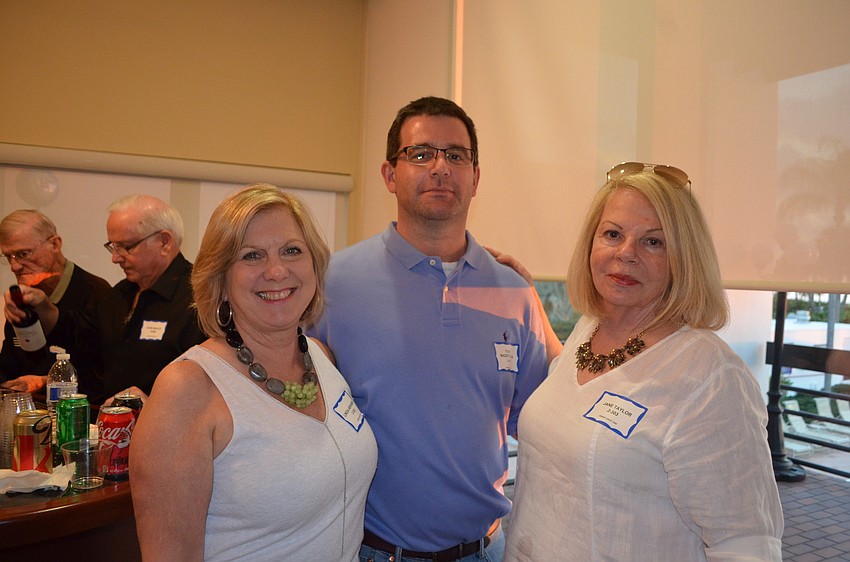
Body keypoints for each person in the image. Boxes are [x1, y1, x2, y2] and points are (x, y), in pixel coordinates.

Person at [309, 96, 552, 562]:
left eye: (456, 155)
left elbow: (543, 422)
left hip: (488, 550)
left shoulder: (513, 292)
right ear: (389, 174)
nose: (440, 167)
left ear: (475, 178)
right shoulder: (333, 283)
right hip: (378, 552)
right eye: (420, 154)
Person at [504, 162, 784, 561]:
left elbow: (746, 547)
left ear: (684, 259)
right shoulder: (590, 329)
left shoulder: (711, 376)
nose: (626, 254)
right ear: (591, 244)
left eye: (654, 242)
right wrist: (521, 297)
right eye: (613, 234)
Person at [131, 184, 377, 561]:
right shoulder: (188, 389)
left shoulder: (322, 359)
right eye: (252, 256)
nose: (276, 271)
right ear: (220, 280)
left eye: (292, 250)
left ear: (314, 264)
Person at [3, 195, 205, 404]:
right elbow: (81, 336)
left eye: (126, 246)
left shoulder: (200, 300)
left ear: (165, 241)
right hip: (112, 427)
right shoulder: (120, 295)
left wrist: (155, 406)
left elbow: (209, 385)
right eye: (113, 246)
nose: (115, 258)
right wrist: (43, 305)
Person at [0, 209, 111, 394]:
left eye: (23, 254)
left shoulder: (97, 294)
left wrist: (46, 381)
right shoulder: (21, 298)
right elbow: (9, 365)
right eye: (8, 256)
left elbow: (103, 375)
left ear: (54, 244)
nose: (14, 266)